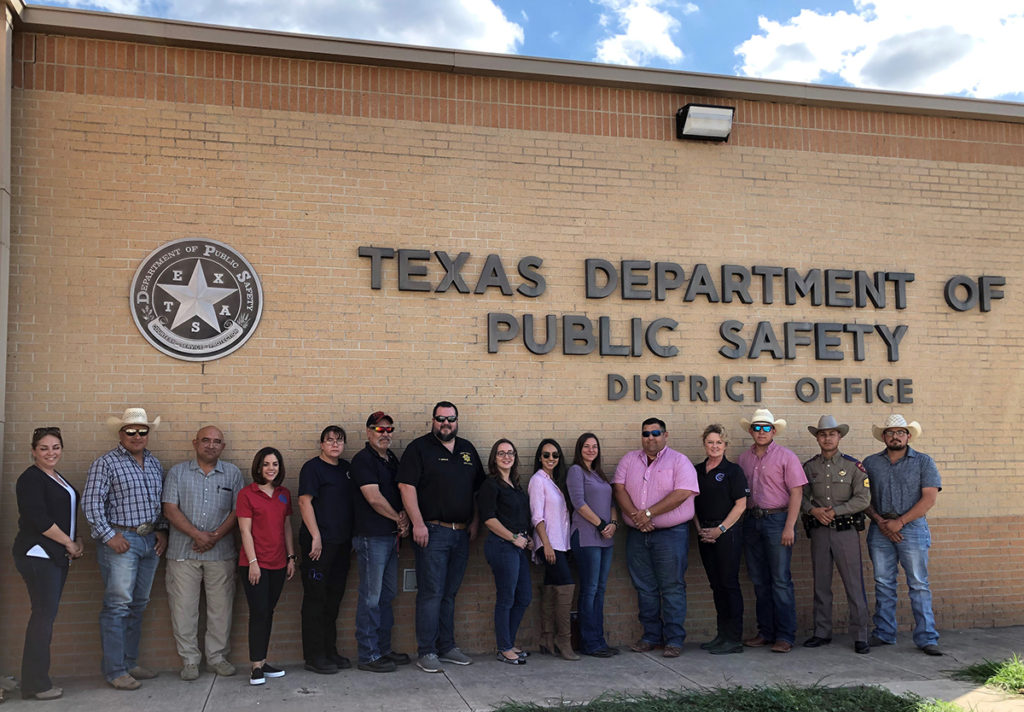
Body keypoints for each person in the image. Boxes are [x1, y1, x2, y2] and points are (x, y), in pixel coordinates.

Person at [397, 401, 485, 673]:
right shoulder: (419, 449)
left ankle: (447, 647)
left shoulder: (467, 450)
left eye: (450, 419)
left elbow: (479, 490)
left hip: (461, 534)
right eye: (440, 419)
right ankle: (427, 651)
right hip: (432, 532)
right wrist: (418, 523)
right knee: (431, 593)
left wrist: (475, 522)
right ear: (432, 421)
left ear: (457, 421)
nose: (445, 423)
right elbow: (405, 486)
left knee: (449, 593)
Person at [83, 407, 167, 690]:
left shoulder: (155, 464)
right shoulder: (105, 463)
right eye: (130, 431)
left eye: (142, 431)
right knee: (117, 606)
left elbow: (160, 502)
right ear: (121, 433)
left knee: (138, 605)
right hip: (121, 543)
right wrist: (109, 536)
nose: (137, 436)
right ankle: (115, 670)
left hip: (148, 541)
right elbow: (92, 503)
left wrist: (162, 531)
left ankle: (130, 663)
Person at [162, 425, 245, 680]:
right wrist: (198, 535)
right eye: (206, 440)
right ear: (195, 442)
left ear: (223, 446)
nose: (211, 445)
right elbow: (169, 508)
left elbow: (237, 511)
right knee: (183, 609)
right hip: (182, 553)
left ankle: (217, 657)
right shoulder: (177, 472)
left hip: (220, 554)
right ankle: (189, 660)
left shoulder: (232, 474)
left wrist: (215, 536)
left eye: (217, 441)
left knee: (220, 610)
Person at [613, 417, 699, 658]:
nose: (650, 438)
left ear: (666, 435)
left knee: (672, 587)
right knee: (645, 588)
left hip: (671, 535)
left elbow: (682, 493)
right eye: (646, 434)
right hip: (637, 536)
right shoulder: (629, 460)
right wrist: (637, 517)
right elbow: (618, 489)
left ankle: (673, 640)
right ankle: (651, 636)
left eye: (655, 433)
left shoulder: (679, 461)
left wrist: (649, 513)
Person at [12, 426, 84, 700]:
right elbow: (39, 519)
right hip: (37, 555)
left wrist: (77, 539)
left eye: (55, 447)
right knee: (43, 617)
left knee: (45, 617)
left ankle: (35, 681)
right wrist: (68, 542)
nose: (50, 452)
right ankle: (36, 684)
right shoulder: (30, 479)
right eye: (44, 448)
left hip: (55, 555)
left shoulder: (56, 477)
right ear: (33, 451)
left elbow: (65, 512)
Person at [863, 414, 943, 656]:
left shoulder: (923, 462)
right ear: (884, 437)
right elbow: (862, 498)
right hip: (880, 528)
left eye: (900, 432)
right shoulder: (870, 463)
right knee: (883, 582)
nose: (895, 436)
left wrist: (900, 522)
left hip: (913, 528)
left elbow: (929, 498)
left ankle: (927, 637)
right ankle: (884, 632)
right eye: (890, 432)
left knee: (918, 584)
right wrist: (882, 522)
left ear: (908, 436)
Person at [737, 408, 806, 654]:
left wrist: (790, 526)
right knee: (758, 580)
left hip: (778, 521)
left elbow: (797, 492)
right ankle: (765, 632)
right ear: (750, 431)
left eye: (766, 427)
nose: (761, 432)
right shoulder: (743, 459)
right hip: (751, 522)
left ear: (773, 431)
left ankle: (785, 635)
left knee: (780, 580)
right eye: (757, 428)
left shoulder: (787, 456)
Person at [801, 415, 872, 654]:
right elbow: (798, 495)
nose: (827, 438)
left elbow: (863, 498)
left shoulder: (853, 466)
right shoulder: (809, 467)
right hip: (820, 531)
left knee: (854, 584)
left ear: (839, 437)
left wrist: (836, 511)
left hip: (845, 531)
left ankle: (861, 634)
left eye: (831, 434)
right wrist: (812, 510)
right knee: (821, 584)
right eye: (822, 434)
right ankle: (822, 632)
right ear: (817, 438)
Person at [350, 412, 411, 673]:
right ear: (368, 432)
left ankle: (383, 650)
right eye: (379, 429)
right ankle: (368, 654)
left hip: (390, 537)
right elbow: (373, 498)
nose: (384, 434)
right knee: (371, 598)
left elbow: (399, 492)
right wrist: (399, 519)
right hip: (371, 537)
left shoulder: (391, 459)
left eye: (389, 430)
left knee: (387, 595)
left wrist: (405, 516)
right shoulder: (362, 460)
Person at [237, 447, 296, 686]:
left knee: (268, 612)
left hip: (279, 563)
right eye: (266, 464)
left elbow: (287, 527)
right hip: (255, 565)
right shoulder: (247, 494)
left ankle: (263, 660)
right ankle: (256, 667)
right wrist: (253, 563)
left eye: (275, 464)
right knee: (259, 612)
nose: (271, 469)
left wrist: (291, 557)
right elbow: (244, 531)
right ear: (258, 467)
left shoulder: (283, 494)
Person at [297, 425, 354, 674]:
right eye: (329, 440)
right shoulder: (312, 468)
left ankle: (330, 651)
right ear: (321, 444)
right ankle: (314, 656)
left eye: (339, 440)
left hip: (342, 545)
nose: (334, 444)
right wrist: (316, 536)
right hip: (318, 546)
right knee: (315, 600)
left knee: (333, 600)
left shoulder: (346, 470)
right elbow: (304, 501)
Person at [693, 424, 748, 655]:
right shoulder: (696, 470)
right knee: (716, 585)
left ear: (725, 445)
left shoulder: (733, 471)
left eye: (719, 442)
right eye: (710, 442)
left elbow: (741, 504)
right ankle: (721, 635)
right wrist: (700, 530)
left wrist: (720, 529)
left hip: (727, 533)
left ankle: (733, 638)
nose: (714, 446)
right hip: (704, 534)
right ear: (704, 444)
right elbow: (690, 502)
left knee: (728, 584)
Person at [479, 439, 533, 665]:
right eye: (501, 453)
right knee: (507, 598)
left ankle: (509, 642)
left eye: (510, 453)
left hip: (519, 546)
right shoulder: (490, 485)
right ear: (494, 458)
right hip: (502, 546)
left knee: (524, 596)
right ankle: (504, 648)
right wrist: (513, 538)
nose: (506, 457)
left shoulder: (516, 485)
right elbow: (489, 519)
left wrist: (526, 538)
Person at [566, 432, 618, 658]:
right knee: (589, 590)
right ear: (579, 449)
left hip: (606, 537)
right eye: (586, 446)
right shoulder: (576, 471)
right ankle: (589, 642)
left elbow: (613, 503)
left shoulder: (599, 475)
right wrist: (601, 524)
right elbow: (578, 503)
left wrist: (613, 524)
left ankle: (599, 640)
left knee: (600, 589)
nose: (590, 450)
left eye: (594, 446)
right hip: (587, 536)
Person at [528, 438, 577, 661]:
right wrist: (546, 544)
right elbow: (537, 516)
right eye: (546, 455)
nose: (551, 459)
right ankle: (563, 640)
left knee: (550, 587)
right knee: (566, 586)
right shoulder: (538, 481)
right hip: (549, 544)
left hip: (559, 544)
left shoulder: (552, 481)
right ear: (540, 457)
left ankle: (546, 638)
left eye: (555, 455)